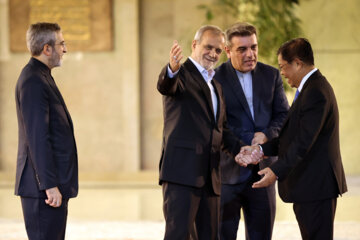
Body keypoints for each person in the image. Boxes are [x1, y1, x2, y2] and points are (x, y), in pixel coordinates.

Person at [237, 38, 348, 240]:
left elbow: (303, 142)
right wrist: (260, 151)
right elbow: (290, 138)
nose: (282, 73)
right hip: (309, 187)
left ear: (297, 63)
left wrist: (275, 171)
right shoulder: (309, 90)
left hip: (316, 187)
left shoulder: (316, 92)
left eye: (282, 67)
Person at [157, 25, 258, 240]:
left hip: (210, 177)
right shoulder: (181, 74)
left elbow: (221, 130)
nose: (213, 54)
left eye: (218, 50)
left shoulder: (215, 85)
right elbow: (167, 86)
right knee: (178, 235)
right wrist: (172, 69)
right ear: (194, 45)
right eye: (208, 47)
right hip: (182, 175)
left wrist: (240, 149)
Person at [214, 22, 289, 240]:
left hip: (264, 172)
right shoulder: (215, 79)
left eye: (253, 47)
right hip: (227, 172)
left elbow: (284, 115)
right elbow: (218, 123)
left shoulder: (271, 75)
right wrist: (249, 141)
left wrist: (266, 135)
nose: (250, 54)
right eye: (242, 49)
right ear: (227, 51)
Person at [15, 22, 78, 240]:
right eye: (61, 43)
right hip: (43, 190)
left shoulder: (42, 76)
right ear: (46, 48)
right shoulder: (33, 80)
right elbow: (37, 137)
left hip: (48, 187)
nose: (65, 49)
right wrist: (49, 185)